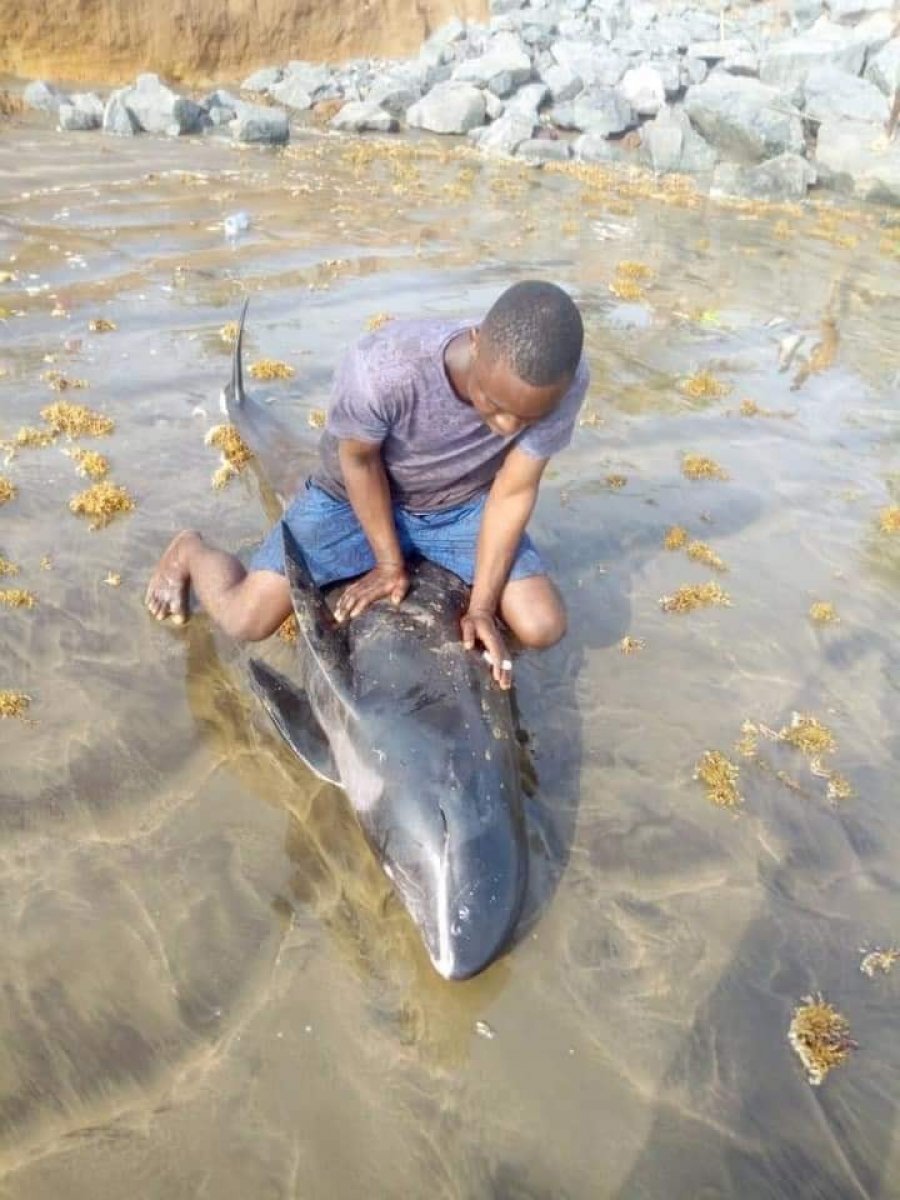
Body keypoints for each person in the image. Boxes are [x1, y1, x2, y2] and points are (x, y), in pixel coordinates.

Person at [145, 279, 589, 690]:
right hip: (351, 496)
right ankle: (190, 550)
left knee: (542, 624)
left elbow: (513, 491)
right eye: (493, 404)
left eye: (525, 417)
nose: (506, 425)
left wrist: (482, 608)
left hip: (459, 503)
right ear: (476, 342)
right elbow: (358, 461)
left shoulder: (563, 385)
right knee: (247, 619)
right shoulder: (385, 368)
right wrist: (389, 563)